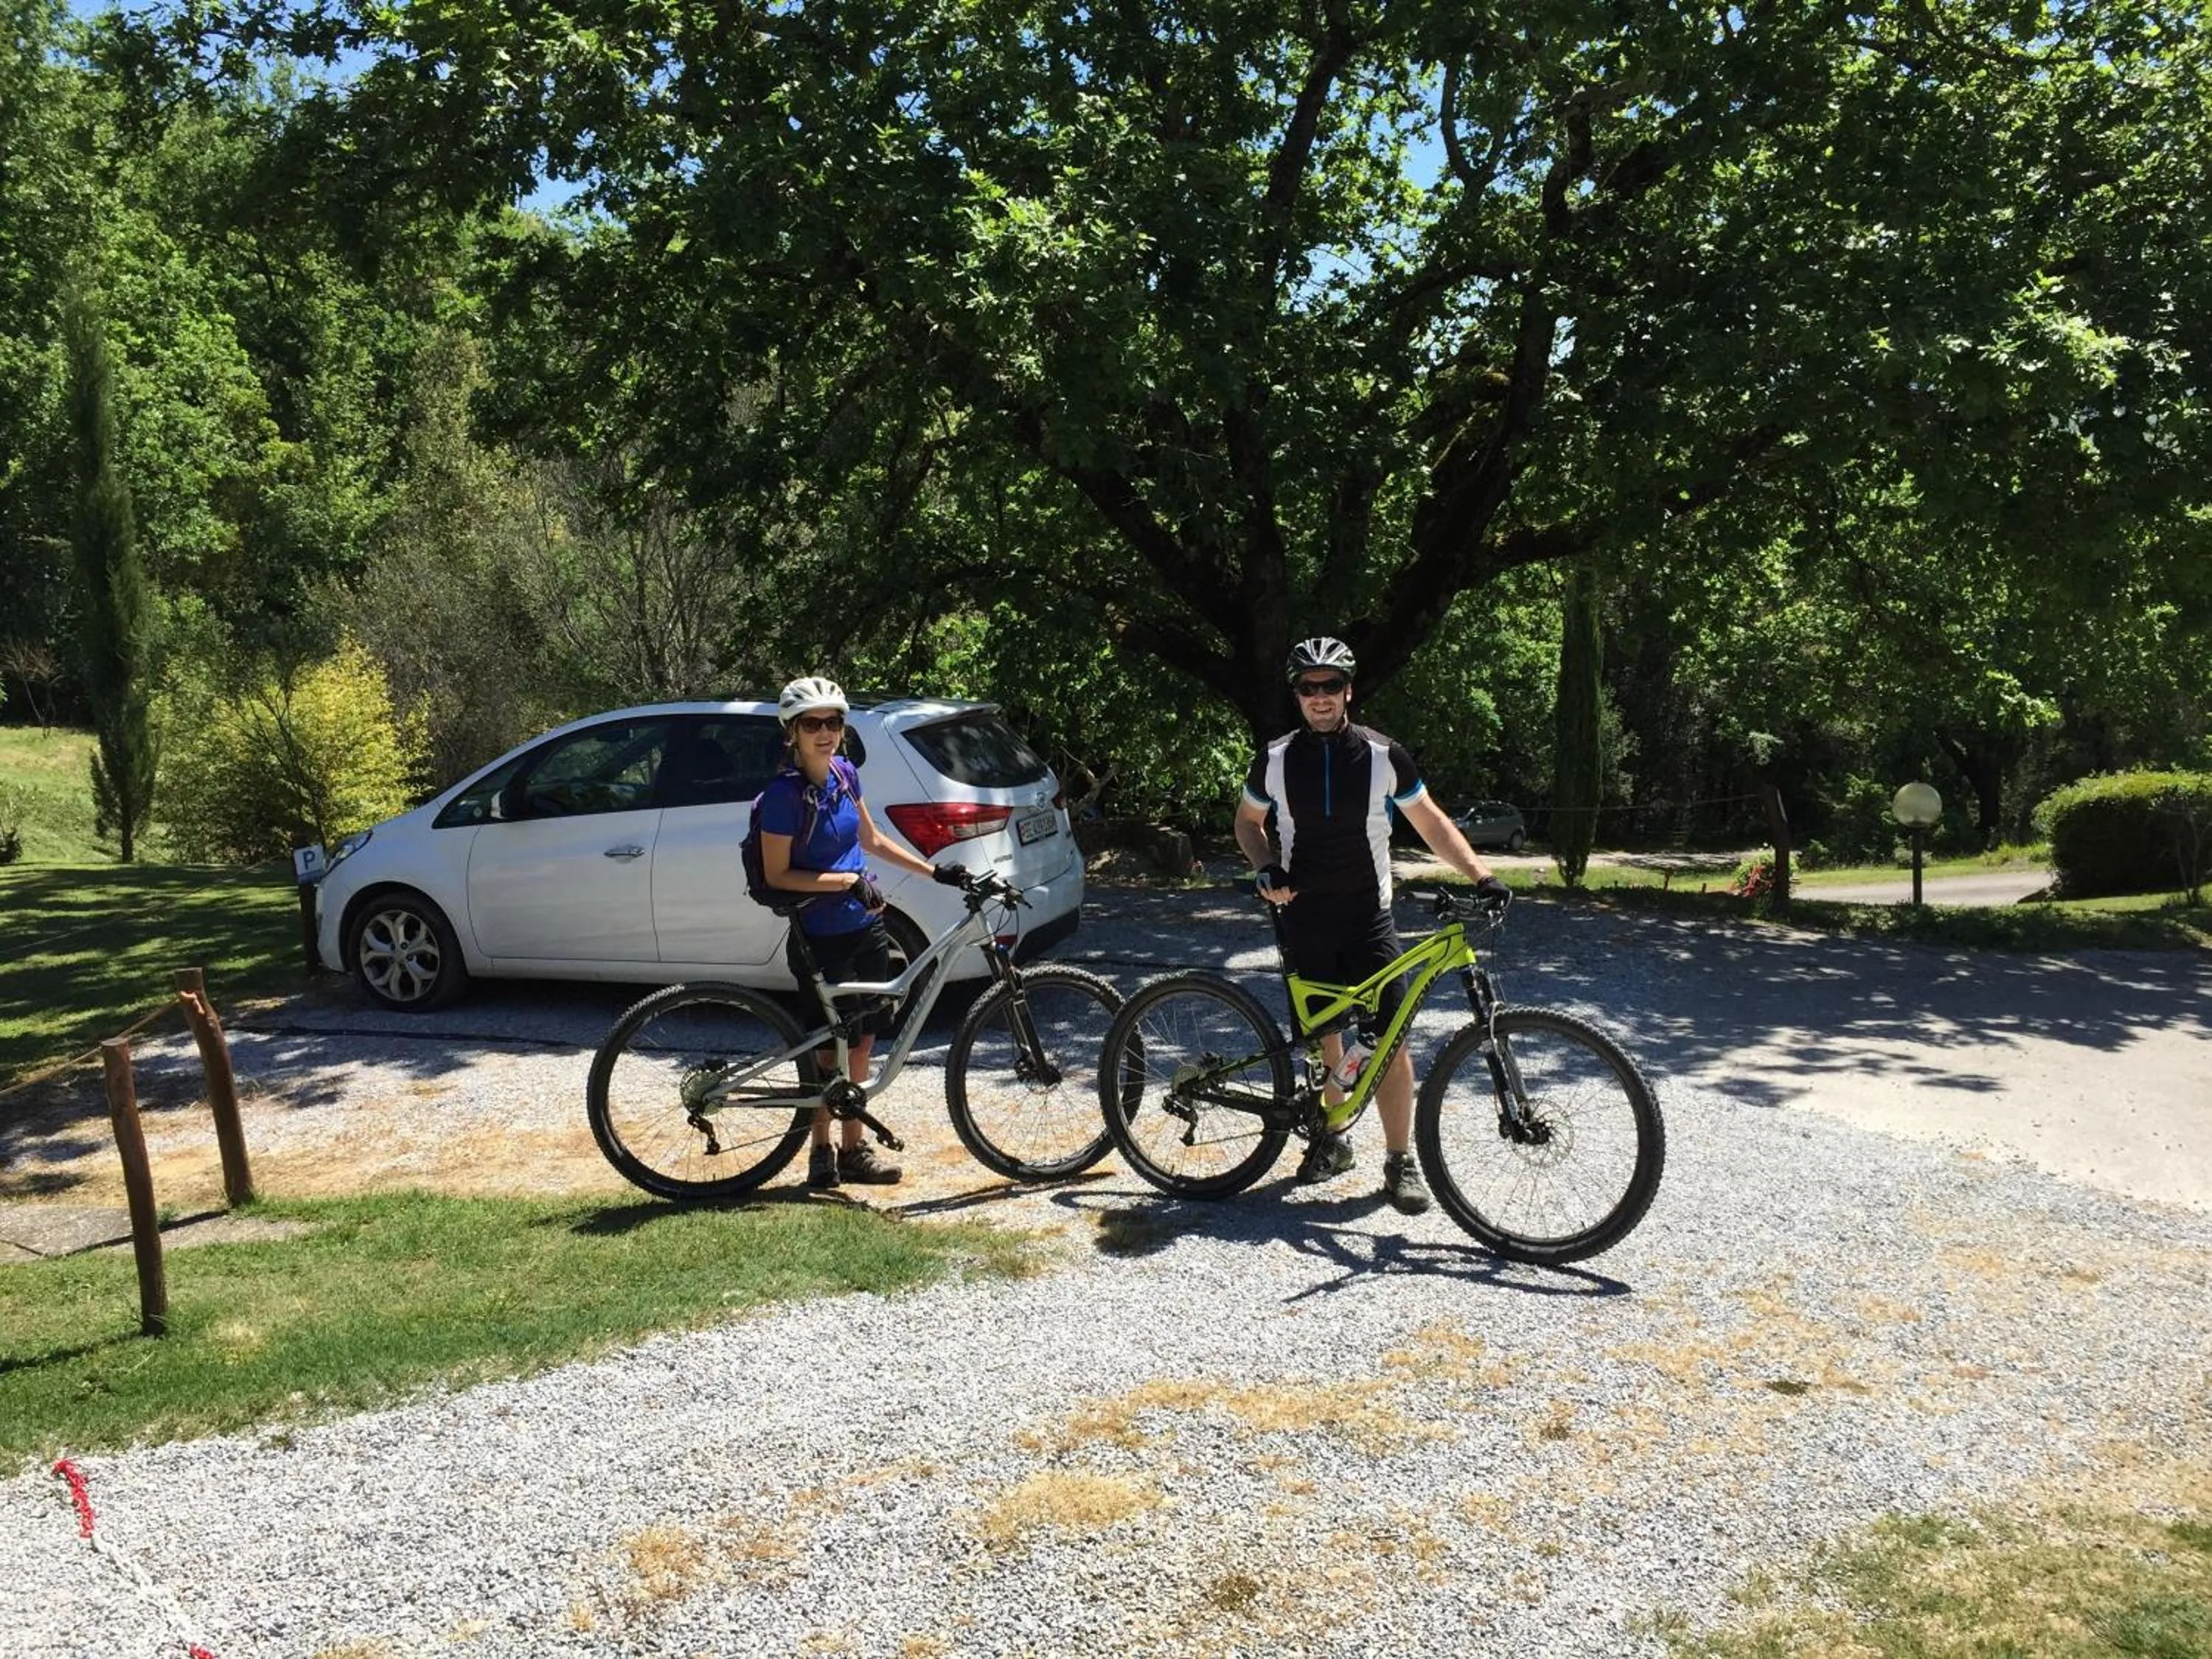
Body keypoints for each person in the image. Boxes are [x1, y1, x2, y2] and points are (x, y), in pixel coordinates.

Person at [1234, 637, 1512, 1214]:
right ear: (1297, 695)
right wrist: (1265, 867)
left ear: (1348, 691)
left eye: (1330, 685)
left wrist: (1481, 875)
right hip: (1303, 917)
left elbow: (1430, 822)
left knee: (1391, 1040)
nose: (1320, 697)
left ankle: (1398, 1159)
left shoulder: (1386, 757)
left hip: (1368, 917)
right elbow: (1247, 823)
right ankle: (1332, 1141)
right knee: (1327, 1038)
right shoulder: (1276, 758)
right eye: (1308, 688)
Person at [758, 675, 964, 1189]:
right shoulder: (784, 795)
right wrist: (846, 881)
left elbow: (871, 838)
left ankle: (855, 1151)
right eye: (813, 724)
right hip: (818, 935)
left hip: (866, 928)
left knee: (863, 1045)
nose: (825, 732)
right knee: (827, 1052)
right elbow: (777, 874)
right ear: (793, 732)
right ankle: (821, 1152)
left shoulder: (846, 775)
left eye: (834, 722)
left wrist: (935, 871)